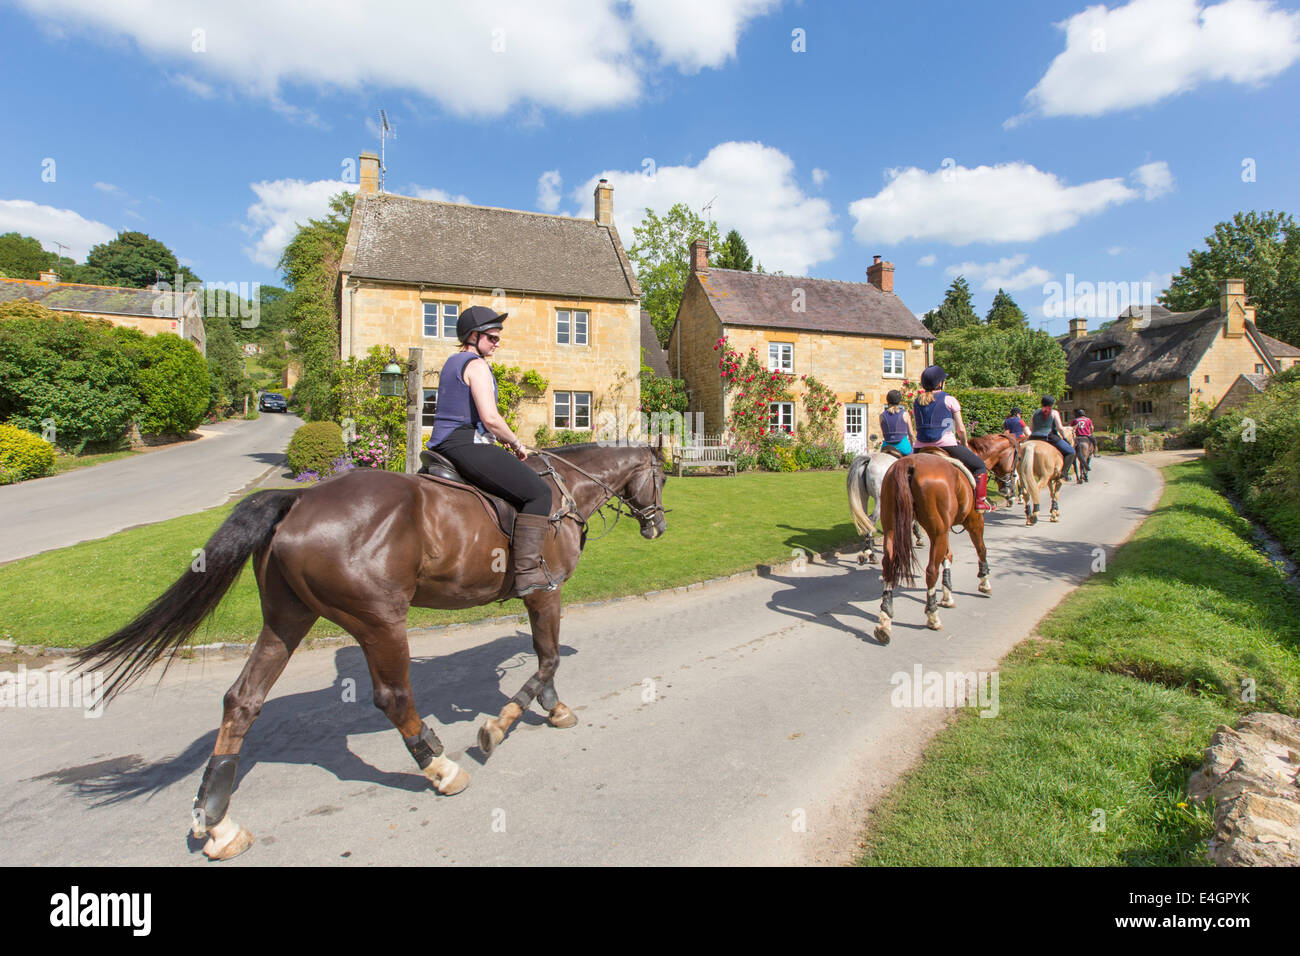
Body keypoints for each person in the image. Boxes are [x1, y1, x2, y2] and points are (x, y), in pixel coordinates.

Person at [428, 305, 555, 596]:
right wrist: (515, 442)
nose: (497, 343)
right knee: (540, 493)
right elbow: (490, 418)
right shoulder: (477, 365)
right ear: (473, 336)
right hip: (465, 444)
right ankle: (526, 574)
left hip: (447, 444)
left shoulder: (452, 361)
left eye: (498, 338)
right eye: (492, 338)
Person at [911, 365, 995, 512]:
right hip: (946, 444)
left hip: (920, 447)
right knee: (979, 466)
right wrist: (964, 445)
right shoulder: (949, 399)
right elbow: (961, 429)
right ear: (939, 383)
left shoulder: (917, 401)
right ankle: (980, 502)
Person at [1028, 396, 1076, 476]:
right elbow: (1060, 428)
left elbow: (1031, 428)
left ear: (1042, 403)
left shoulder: (1035, 413)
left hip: (1033, 437)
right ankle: (1063, 474)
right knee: (1071, 451)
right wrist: (1064, 437)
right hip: (1048, 437)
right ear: (1052, 404)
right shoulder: (1054, 412)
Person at [878, 389, 913, 455]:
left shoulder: (881, 416)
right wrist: (912, 445)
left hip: (886, 447)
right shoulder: (905, 414)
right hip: (903, 447)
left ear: (887, 401)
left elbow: (883, 432)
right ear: (899, 401)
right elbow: (911, 434)